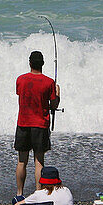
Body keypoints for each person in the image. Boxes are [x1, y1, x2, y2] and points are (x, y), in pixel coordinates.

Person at [14, 50, 60, 196]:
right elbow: (54, 106)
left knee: (22, 161)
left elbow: (20, 98)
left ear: (29, 63)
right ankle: (38, 193)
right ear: (43, 64)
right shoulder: (49, 82)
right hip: (40, 125)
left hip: (23, 123)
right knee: (39, 162)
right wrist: (57, 93)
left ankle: (19, 193)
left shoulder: (20, 79)